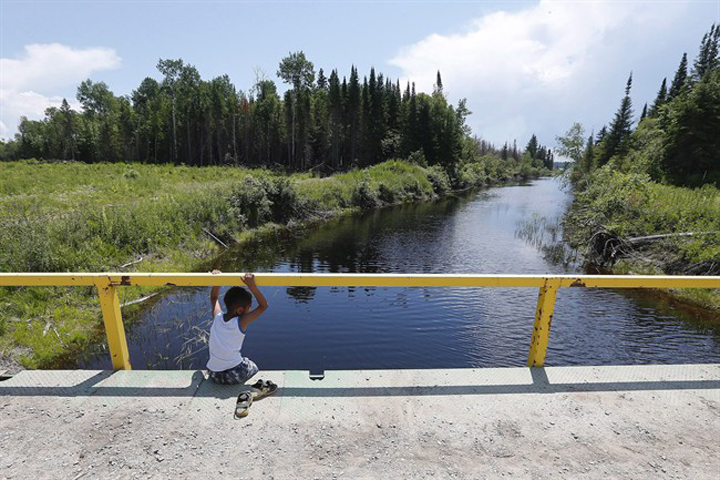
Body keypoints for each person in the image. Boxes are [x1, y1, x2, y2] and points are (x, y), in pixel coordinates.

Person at [206, 270, 269, 386]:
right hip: (233, 377)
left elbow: (214, 298)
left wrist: (217, 281)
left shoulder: (217, 317)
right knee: (252, 365)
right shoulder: (241, 321)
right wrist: (251, 285)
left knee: (239, 359)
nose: (249, 311)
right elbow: (263, 306)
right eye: (248, 308)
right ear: (240, 310)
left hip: (214, 374)